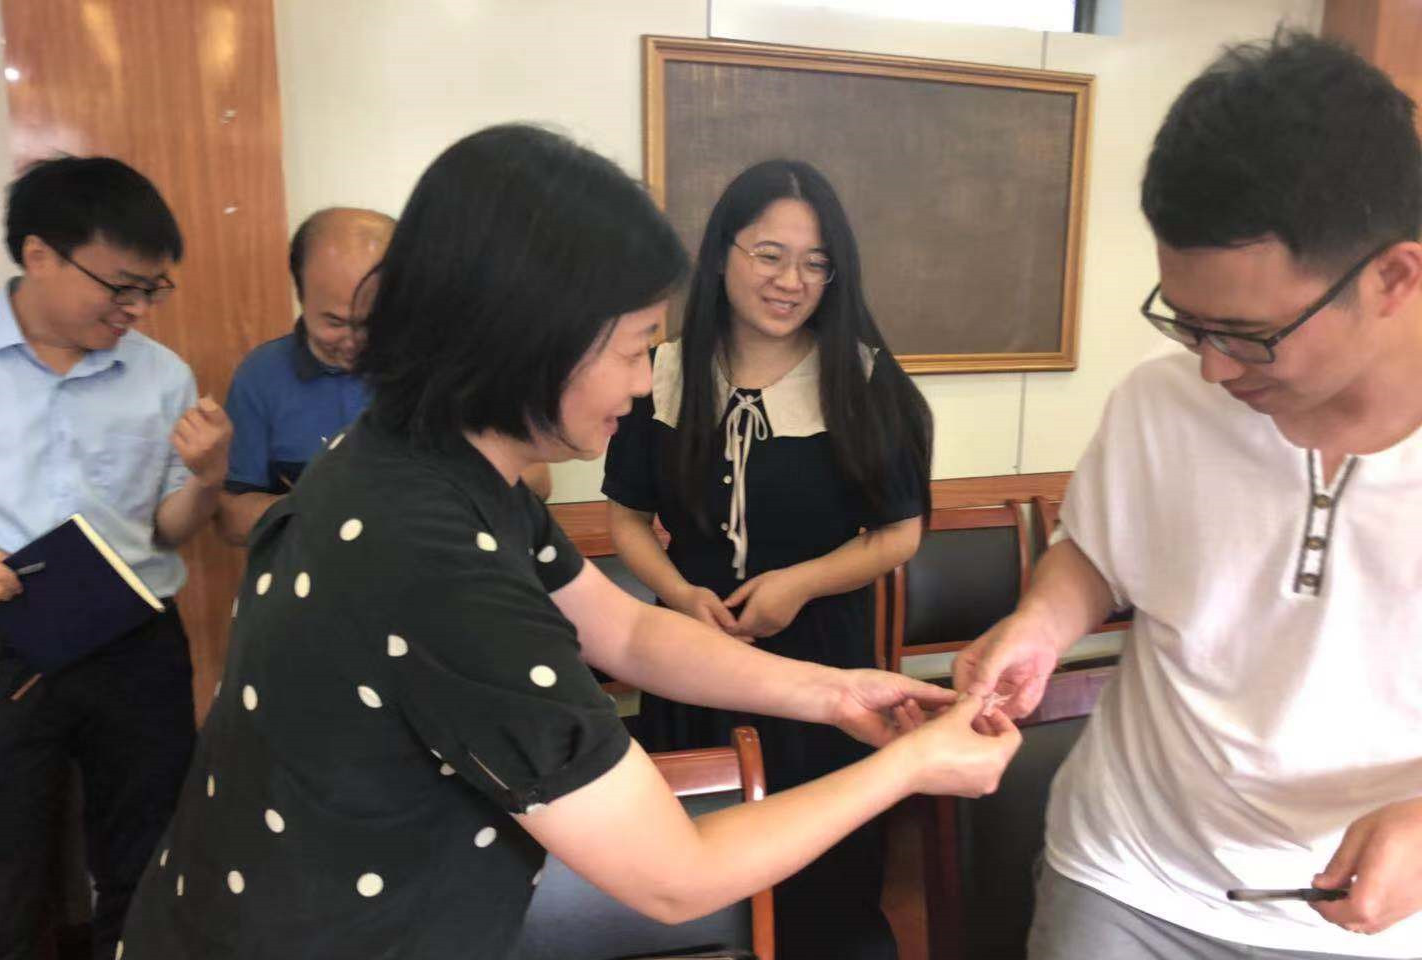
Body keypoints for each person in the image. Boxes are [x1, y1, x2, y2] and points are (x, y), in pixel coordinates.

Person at [118, 124, 1019, 960]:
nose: (644, 384)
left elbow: (622, 629)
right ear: (531, 340)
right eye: (632, 350)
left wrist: (836, 694)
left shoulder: (435, 459)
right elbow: (676, 876)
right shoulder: (431, 553)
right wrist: (910, 765)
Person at [954, 32, 1422, 960]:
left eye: (1248, 334)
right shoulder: (1160, 401)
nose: (1210, 368)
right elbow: (1097, 553)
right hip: (1125, 876)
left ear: (1393, 279)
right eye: (1186, 322)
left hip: (1364, 920)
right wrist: (1042, 625)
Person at [604, 158, 934, 959]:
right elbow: (627, 520)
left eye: (816, 263)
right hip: (690, 661)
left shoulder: (865, 382)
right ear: (722, 254)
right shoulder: (663, 375)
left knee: (826, 881)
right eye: (770, 255)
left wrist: (802, 583)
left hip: (823, 666)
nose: (791, 281)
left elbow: (898, 534)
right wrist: (680, 593)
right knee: (695, 865)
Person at [0, 157, 231, 960]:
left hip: (134, 644)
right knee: (1, 867)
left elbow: (167, 529)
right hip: (1, 649)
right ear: (40, 254)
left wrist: (209, 478)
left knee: (150, 854)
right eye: (121, 287)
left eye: (152, 290)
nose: (137, 310)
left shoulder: (162, 376)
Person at [216, 208, 552, 546]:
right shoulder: (262, 375)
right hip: (320, 571)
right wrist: (331, 508)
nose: (355, 341)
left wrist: (440, 489)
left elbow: (537, 480)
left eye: (372, 321)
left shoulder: (450, 362)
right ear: (301, 294)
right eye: (334, 322)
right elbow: (232, 519)